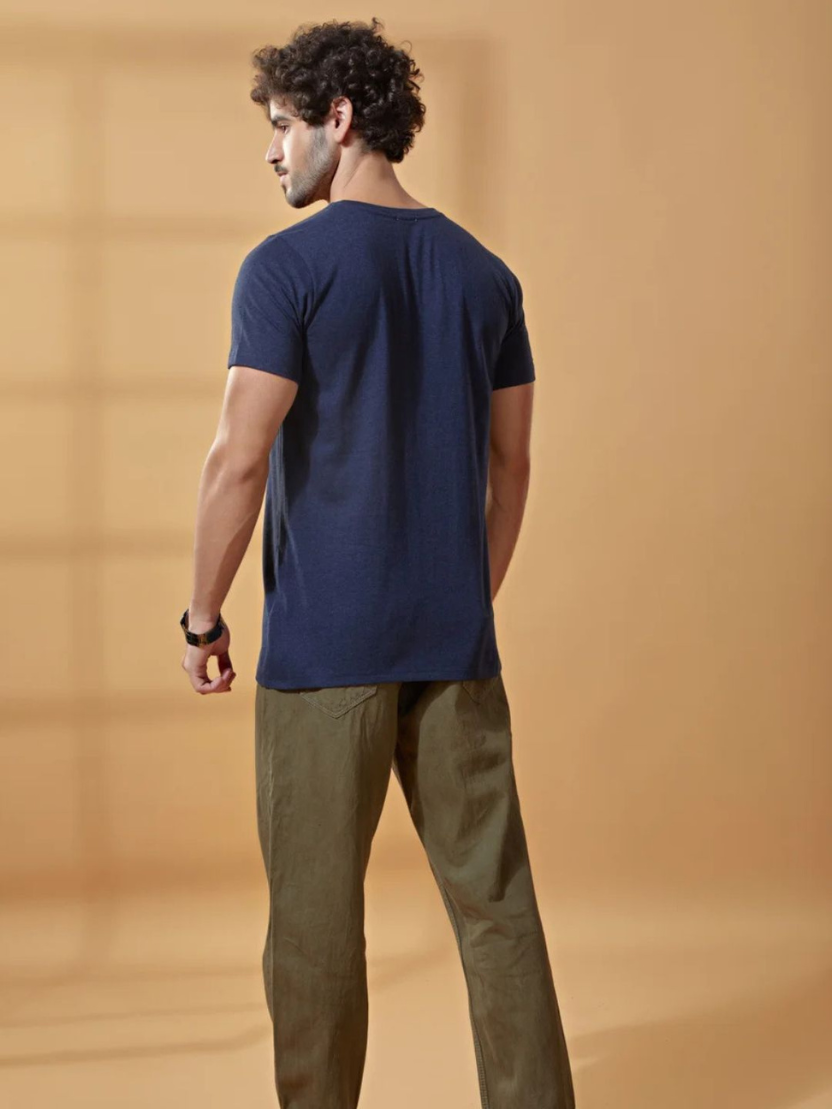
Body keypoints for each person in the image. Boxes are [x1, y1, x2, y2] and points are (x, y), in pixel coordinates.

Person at [180, 16, 576, 1109]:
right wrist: (464, 597)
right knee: (496, 906)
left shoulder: (285, 268)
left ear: (339, 119)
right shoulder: (487, 276)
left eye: (281, 125)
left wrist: (203, 614)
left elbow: (239, 457)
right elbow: (512, 463)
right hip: (455, 647)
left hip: (324, 655)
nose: (272, 150)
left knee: (314, 924)